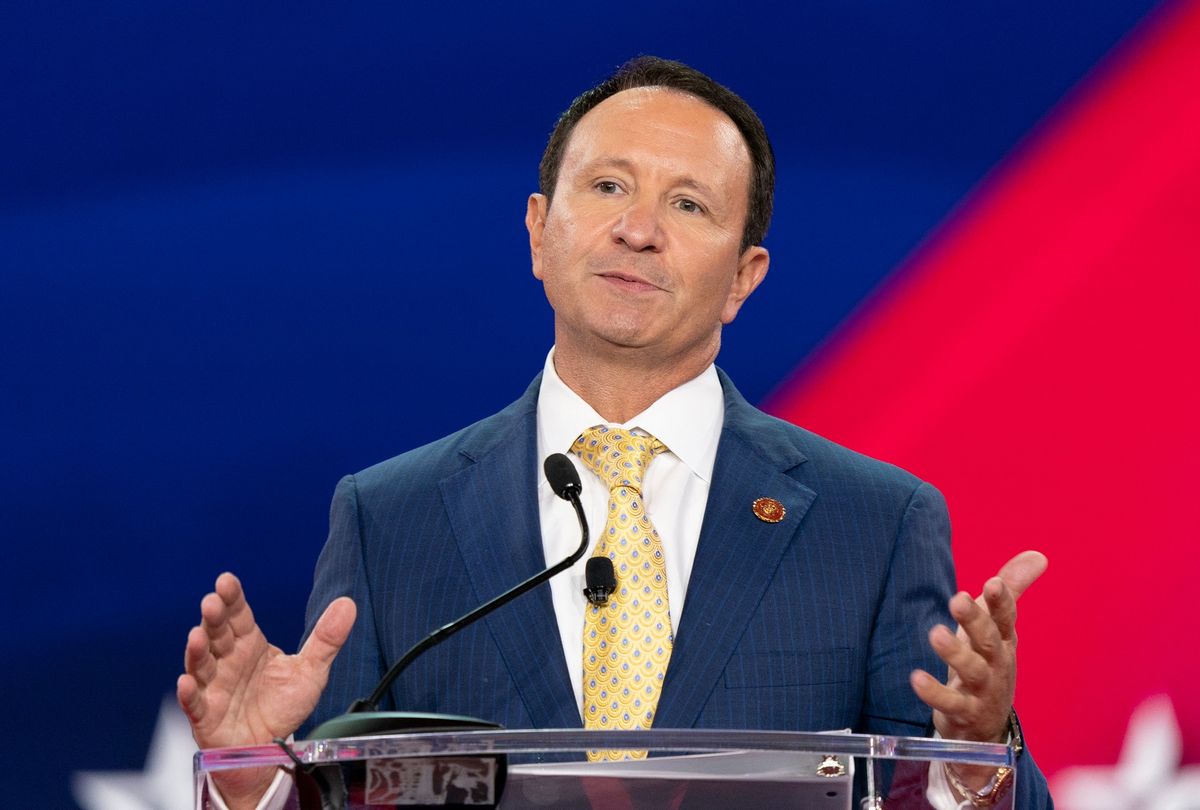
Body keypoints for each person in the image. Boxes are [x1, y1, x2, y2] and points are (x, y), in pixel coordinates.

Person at [179, 56, 1051, 809]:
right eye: (607, 188)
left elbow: (945, 790)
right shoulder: (389, 519)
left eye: (688, 205)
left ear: (744, 277)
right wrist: (253, 777)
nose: (637, 230)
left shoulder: (875, 524)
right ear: (537, 232)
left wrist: (973, 758)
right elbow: (352, 796)